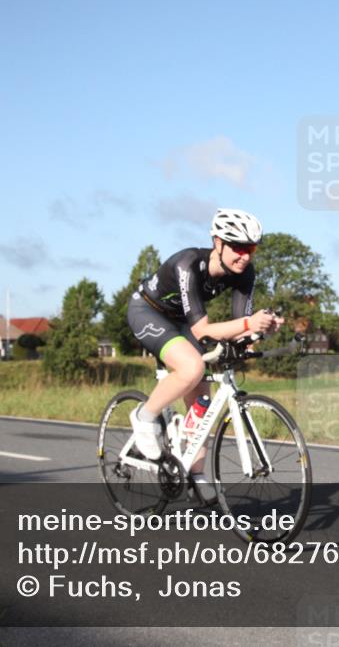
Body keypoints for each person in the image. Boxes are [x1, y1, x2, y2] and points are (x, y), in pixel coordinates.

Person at [126, 208, 283, 500]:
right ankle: (145, 415)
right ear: (218, 243)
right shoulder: (189, 264)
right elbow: (203, 332)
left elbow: (241, 327)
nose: (245, 256)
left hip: (182, 321)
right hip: (148, 312)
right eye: (237, 247)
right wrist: (249, 323)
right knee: (191, 367)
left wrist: (260, 331)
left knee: (203, 401)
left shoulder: (245, 273)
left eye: (250, 248)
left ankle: (196, 473)